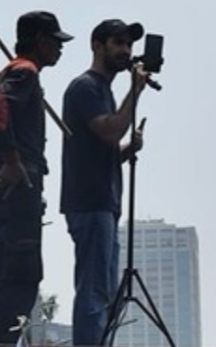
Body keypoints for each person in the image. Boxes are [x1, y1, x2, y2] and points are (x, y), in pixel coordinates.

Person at [0, 10, 73, 343]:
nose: (59, 49)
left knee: (6, 279)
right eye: (55, 41)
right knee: (22, 277)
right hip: (18, 190)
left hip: (4, 191)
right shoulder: (24, 71)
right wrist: (13, 160)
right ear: (38, 40)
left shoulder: (11, 72)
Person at [60, 19, 148, 345]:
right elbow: (110, 130)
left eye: (128, 45)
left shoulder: (103, 91)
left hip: (103, 203)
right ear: (97, 46)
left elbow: (102, 149)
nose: (125, 51)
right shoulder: (86, 88)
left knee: (103, 293)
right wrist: (135, 91)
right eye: (118, 43)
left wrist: (129, 150)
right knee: (94, 293)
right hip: (91, 203)